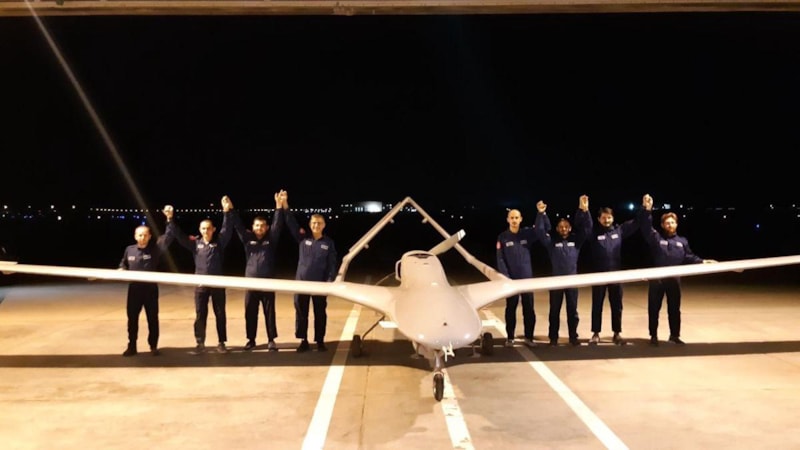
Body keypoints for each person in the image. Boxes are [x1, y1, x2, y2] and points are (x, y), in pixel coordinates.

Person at [640, 194, 717, 346]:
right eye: (667, 223)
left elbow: (689, 257)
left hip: (674, 280)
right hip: (657, 280)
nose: (670, 225)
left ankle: (674, 335)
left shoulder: (682, 241)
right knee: (654, 308)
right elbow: (645, 226)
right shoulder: (656, 238)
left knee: (674, 309)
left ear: (676, 224)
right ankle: (653, 336)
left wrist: (702, 261)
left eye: (672, 222)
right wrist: (647, 209)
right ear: (662, 225)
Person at [225, 191, 287, 352]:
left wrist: (278, 206)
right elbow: (238, 225)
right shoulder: (248, 239)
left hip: (267, 283)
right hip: (251, 283)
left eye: (262, 225)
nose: (260, 228)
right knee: (250, 313)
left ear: (266, 227)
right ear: (253, 227)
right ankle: (251, 340)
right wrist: (230, 209)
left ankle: (271, 340)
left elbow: (278, 225)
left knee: (269, 313)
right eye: (257, 225)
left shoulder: (271, 239)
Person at [172, 198, 235, 354]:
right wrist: (170, 219)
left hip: (217, 284)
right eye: (203, 228)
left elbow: (227, 229)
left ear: (213, 229)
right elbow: (180, 236)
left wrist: (226, 211)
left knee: (220, 314)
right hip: (200, 285)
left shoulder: (219, 243)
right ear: (200, 230)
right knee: (201, 314)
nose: (206, 231)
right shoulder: (195, 244)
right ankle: (200, 343)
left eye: (208, 228)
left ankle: (221, 342)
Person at [534, 195, 592, 346]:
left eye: (566, 226)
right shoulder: (551, 242)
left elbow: (587, 229)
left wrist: (585, 211)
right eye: (560, 227)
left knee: (572, 311)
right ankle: (553, 338)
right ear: (557, 229)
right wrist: (541, 214)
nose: (563, 229)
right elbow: (540, 231)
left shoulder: (576, 241)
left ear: (570, 228)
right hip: (556, 282)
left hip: (572, 282)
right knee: (554, 311)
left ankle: (573, 337)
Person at [118, 206, 176, 357]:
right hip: (134, 290)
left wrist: (169, 218)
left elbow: (169, 236)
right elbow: (123, 264)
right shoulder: (129, 249)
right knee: (132, 320)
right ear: (135, 236)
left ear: (150, 236)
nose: (142, 237)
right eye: (140, 235)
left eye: (145, 235)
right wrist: (121, 269)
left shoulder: (155, 249)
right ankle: (132, 346)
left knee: (152, 319)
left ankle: (153, 346)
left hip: (150, 291)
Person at [285, 193, 338, 352]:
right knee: (301, 313)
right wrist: (285, 205)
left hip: (319, 285)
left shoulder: (328, 243)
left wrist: (330, 282)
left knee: (320, 313)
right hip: (302, 283)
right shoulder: (303, 238)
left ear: (324, 225)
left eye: (319, 223)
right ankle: (303, 340)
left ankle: (320, 340)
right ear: (310, 224)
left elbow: (332, 264)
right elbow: (291, 223)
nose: (316, 225)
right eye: (314, 223)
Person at [586, 203, 640, 345]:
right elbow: (585, 225)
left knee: (617, 305)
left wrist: (645, 209)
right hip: (599, 276)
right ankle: (595, 333)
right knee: (597, 305)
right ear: (599, 219)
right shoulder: (594, 233)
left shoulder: (619, 231)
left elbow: (636, 222)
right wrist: (584, 211)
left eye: (609, 217)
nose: (607, 220)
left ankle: (617, 333)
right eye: (604, 218)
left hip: (616, 276)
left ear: (613, 218)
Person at [496, 207, 542, 347]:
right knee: (511, 308)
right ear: (508, 220)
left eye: (516, 218)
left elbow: (540, 229)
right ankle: (510, 337)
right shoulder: (502, 237)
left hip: (526, 280)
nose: (514, 220)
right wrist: (506, 277)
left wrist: (540, 213)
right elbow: (500, 259)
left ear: (521, 219)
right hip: (511, 281)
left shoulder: (527, 234)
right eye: (512, 218)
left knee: (529, 309)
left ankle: (529, 337)